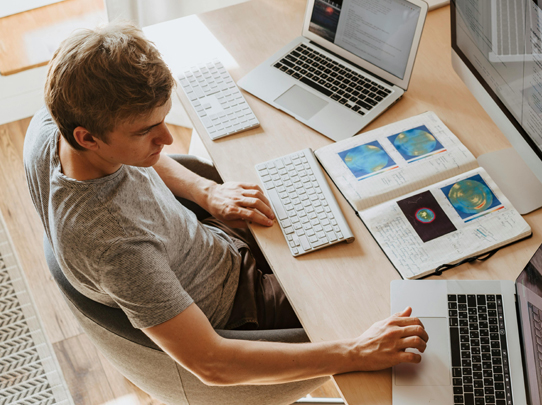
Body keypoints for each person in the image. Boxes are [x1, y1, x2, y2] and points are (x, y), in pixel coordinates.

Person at [24, 21, 427, 386]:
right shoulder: (116, 248)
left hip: (209, 243)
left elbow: (143, 155)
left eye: (164, 120)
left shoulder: (54, 123)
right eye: (147, 131)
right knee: (390, 298)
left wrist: (206, 192)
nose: (166, 140)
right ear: (87, 138)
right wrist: (354, 353)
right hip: (239, 306)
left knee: (348, 209)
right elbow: (212, 363)